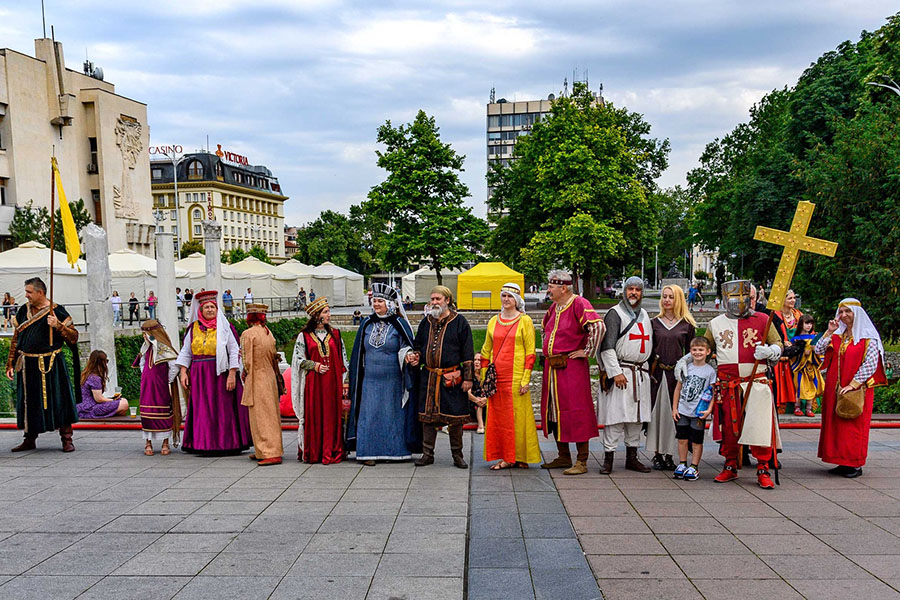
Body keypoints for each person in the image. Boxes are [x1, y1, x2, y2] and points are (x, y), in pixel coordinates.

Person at [689, 280, 783, 489]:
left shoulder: (763, 320)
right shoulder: (716, 324)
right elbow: (705, 348)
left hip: (756, 382)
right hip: (728, 384)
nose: (741, 302)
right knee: (730, 428)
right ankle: (730, 464)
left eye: (746, 298)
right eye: (736, 298)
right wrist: (686, 362)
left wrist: (771, 352)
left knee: (759, 426)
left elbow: (779, 344)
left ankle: (763, 467)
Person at [346, 284, 420, 465]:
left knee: (392, 416)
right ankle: (368, 453)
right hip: (370, 380)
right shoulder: (366, 324)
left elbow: (406, 345)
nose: (376, 304)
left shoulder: (399, 324)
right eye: (374, 301)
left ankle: (394, 452)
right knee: (369, 415)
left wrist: (408, 354)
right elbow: (358, 352)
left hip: (393, 380)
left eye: (380, 301)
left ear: (389, 303)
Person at [539, 270, 604, 475]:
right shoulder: (553, 307)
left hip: (571, 368)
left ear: (563, 287)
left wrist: (586, 352)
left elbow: (598, 327)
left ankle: (581, 460)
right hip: (553, 368)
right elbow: (544, 330)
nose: (548, 290)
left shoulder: (579, 304)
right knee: (554, 411)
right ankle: (563, 456)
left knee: (576, 411)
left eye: (551, 286)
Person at [5, 277, 80, 452]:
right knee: (29, 402)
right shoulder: (24, 311)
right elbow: (17, 339)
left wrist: (58, 326)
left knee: (60, 399)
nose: (26, 295)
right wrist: (10, 363)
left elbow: (74, 337)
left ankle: (67, 439)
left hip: (52, 364)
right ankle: (29, 439)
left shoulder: (57, 312)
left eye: (29, 292)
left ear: (41, 292)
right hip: (28, 365)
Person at [815, 298, 887, 477]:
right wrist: (829, 331)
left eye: (848, 311)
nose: (844, 315)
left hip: (855, 389)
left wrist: (853, 384)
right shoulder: (838, 335)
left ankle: (854, 464)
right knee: (836, 425)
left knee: (854, 425)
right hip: (835, 388)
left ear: (857, 314)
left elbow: (871, 364)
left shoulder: (868, 338)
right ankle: (841, 461)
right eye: (841, 312)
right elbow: (818, 350)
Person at [175, 289, 252, 454]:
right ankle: (204, 444)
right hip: (200, 375)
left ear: (217, 309)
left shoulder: (224, 327)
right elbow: (186, 352)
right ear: (200, 310)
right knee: (203, 409)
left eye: (213, 307)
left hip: (220, 373)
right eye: (206, 307)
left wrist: (232, 374)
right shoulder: (193, 329)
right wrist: (183, 372)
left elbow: (233, 350)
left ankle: (226, 443)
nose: (210, 310)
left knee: (222, 409)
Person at [407, 286, 475, 469]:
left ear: (447, 300)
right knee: (427, 418)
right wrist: (416, 356)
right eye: (432, 299)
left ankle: (457, 455)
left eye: (438, 299)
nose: (434, 302)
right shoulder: (426, 322)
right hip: (429, 376)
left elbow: (468, 351)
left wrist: (468, 379)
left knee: (455, 419)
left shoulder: (460, 322)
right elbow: (419, 345)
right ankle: (427, 454)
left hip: (451, 378)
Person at [479, 283, 541, 470]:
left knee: (519, 417)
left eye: (510, 296)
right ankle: (506, 456)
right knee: (500, 419)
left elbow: (530, 352)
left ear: (517, 300)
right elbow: (485, 349)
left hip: (515, 377)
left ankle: (522, 455)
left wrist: (525, 378)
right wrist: (484, 377)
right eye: (504, 295)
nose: (506, 299)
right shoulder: (493, 321)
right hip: (497, 377)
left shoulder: (525, 321)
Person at [598, 276, 653, 474]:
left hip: (640, 374)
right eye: (630, 289)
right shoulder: (615, 314)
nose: (634, 293)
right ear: (624, 290)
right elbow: (607, 347)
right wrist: (615, 373)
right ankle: (608, 459)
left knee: (636, 419)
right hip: (622, 373)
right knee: (615, 418)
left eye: (638, 290)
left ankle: (632, 458)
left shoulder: (645, 314)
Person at [290, 297, 348, 464]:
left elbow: (343, 360)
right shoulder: (305, 336)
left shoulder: (336, 334)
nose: (329, 315)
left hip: (332, 383)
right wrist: (314, 365)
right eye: (325, 312)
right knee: (315, 415)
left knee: (331, 415)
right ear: (316, 316)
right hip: (314, 384)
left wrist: (345, 382)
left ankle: (332, 449)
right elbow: (298, 359)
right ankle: (315, 451)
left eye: (328, 311)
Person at [647, 284, 696, 471]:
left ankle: (669, 454)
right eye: (664, 296)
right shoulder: (654, 323)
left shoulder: (686, 325)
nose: (667, 300)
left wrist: (685, 365)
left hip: (676, 378)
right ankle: (657, 454)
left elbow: (693, 351)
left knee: (673, 416)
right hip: (658, 375)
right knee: (657, 415)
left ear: (678, 300)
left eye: (671, 297)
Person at [240, 304, 283, 466]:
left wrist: (245, 372)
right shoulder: (268, 333)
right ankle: (268, 449)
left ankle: (268, 451)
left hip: (257, 377)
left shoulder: (248, 334)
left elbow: (247, 361)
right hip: (270, 377)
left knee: (260, 415)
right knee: (271, 414)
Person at [133, 320, 181, 456]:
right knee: (147, 414)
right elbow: (142, 363)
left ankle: (165, 443)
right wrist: (146, 377)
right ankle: (148, 443)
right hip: (147, 386)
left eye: (146, 333)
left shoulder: (164, 348)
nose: (144, 336)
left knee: (163, 412)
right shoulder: (145, 347)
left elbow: (174, 366)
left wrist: (166, 380)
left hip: (161, 387)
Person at [671, 337, 716, 481]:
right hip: (683, 409)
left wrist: (709, 410)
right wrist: (674, 408)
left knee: (697, 440)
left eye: (701, 350)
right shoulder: (686, 368)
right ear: (690, 351)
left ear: (708, 352)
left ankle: (694, 466)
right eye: (694, 350)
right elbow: (678, 388)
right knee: (682, 439)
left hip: (698, 411)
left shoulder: (710, 372)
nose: (697, 352)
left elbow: (713, 392)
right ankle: (683, 463)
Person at [772, 289, 803, 412]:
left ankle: (800, 406)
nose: (793, 301)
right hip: (783, 352)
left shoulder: (798, 315)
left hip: (798, 351)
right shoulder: (775, 315)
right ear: (782, 300)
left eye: (794, 298)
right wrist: (782, 341)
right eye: (790, 298)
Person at [78, 350, 130, 419]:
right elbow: (98, 399)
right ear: (101, 363)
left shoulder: (86, 374)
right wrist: (113, 400)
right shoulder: (94, 378)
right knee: (124, 403)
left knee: (121, 402)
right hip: (90, 410)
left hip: (82, 408)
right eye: (106, 361)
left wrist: (112, 399)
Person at [790, 314, 823, 417]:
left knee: (812, 387)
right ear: (801, 324)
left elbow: (820, 352)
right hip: (800, 367)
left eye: (811, 323)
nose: (809, 326)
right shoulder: (795, 339)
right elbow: (793, 354)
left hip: (812, 367)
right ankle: (797, 407)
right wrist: (804, 354)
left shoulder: (815, 338)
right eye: (807, 323)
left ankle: (809, 409)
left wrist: (813, 352)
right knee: (799, 387)